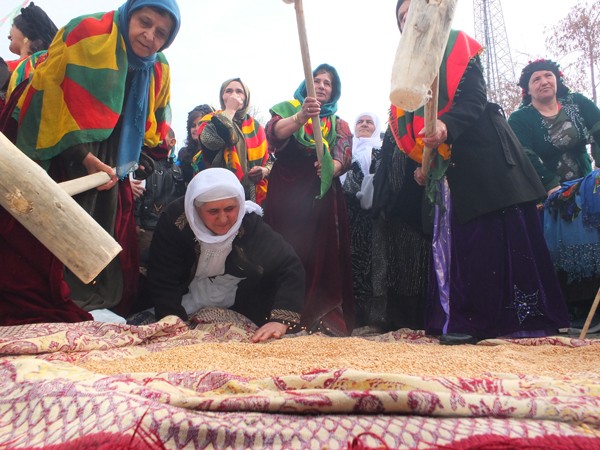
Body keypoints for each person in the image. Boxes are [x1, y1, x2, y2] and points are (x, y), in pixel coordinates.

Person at [395, 0, 569, 342]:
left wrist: (445, 125)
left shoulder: (459, 46)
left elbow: (474, 99)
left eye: (413, 12)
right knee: (456, 243)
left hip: (485, 157)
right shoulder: (406, 70)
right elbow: (412, 125)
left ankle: (491, 322)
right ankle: (458, 319)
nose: (409, 21)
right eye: (402, 18)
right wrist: (422, 165)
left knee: (487, 238)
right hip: (446, 169)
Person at [1, 0, 181, 325]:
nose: (149, 35)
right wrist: (80, 155)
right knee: (54, 232)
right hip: (60, 146)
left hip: (110, 160)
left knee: (105, 229)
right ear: (130, 14)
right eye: (144, 22)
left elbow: (145, 121)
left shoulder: (158, 67)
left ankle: (96, 302)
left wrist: (137, 157)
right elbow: (49, 97)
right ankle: (62, 296)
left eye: (161, 33)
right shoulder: (87, 32)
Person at [146, 168, 305, 342]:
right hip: (182, 294)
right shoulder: (176, 222)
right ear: (196, 210)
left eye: (230, 208)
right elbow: (163, 278)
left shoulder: (248, 223)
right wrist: (174, 325)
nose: (223, 219)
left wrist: (280, 320)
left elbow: (288, 265)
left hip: (236, 297)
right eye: (213, 211)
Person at [264, 63, 355, 336]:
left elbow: (343, 154)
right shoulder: (286, 109)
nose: (322, 86)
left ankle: (320, 317)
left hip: (321, 195)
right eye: (316, 80)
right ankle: (281, 313)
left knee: (322, 252)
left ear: (334, 91)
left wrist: (331, 168)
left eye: (328, 83)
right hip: (286, 194)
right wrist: (301, 116)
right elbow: (274, 134)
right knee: (286, 247)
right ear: (307, 84)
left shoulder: (338, 124)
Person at [508, 59, 600, 323]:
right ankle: (577, 309)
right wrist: (551, 185)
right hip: (547, 194)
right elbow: (524, 155)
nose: (544, 82)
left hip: (585, 187)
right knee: (567, 246)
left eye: (548, 75)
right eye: (536, 79)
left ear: (557, 79)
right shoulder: (520, 119)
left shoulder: (577, 103)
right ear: (527, 89)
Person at [191, 78, 271, 205]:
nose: (234, 95)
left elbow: (270, 160)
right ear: (222, 97)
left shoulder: (257, 128)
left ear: (246, 98)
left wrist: (265, 170)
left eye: (239, 91)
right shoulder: (210, 119)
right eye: (228, 91)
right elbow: (210, 141)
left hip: (252, 197)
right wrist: (230, 111)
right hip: (220, 193)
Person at [341, 112, 384, 329]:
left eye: (369, 122)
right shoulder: (346, 152)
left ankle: (373, 317)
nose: (364, 125)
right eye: (360, 121)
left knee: (374, 265)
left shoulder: (382, 151)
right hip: (348, 216)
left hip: (375, 219)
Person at [177, 104, 215, 184]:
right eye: (193, 126)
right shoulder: (183, 154)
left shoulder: (218, 151)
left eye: (201, 124)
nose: (197, 129)